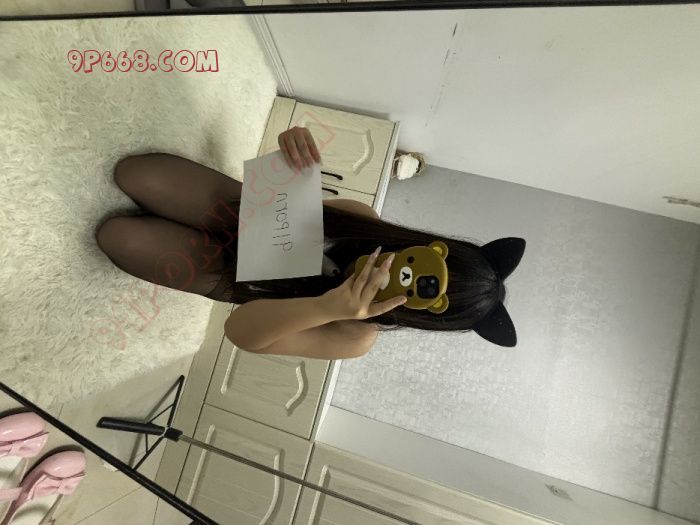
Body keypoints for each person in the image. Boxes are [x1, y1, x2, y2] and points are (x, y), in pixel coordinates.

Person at [95, 127, 525, 360]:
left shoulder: (354, 337)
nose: (401, 274)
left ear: (424, 313)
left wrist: (329, 308)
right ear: (432, 247)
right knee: (132, 173)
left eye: (420, 291)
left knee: (116, 235)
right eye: (423, 265)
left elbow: (240, 332)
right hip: (240, 213)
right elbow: (281, 206)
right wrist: (292, 157)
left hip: (221, 273)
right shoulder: (362, 220)